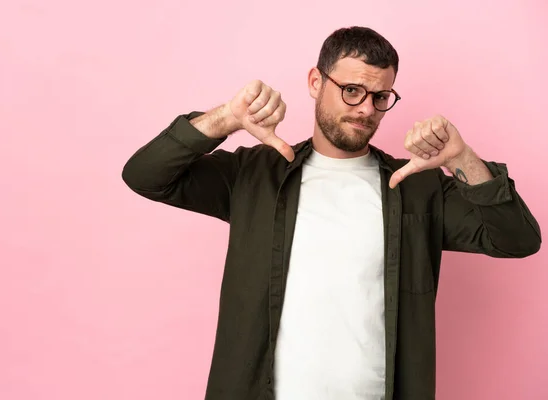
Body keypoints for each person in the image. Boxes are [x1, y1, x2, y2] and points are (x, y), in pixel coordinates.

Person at [121, 26, 541, 400]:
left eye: (381, 97)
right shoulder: (254, 175)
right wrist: (226, 119)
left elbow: (518, 239)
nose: (365, 110)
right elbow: (146, 175)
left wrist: (464, 159)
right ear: (315, 81)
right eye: (352, 90)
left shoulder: (417, 188)